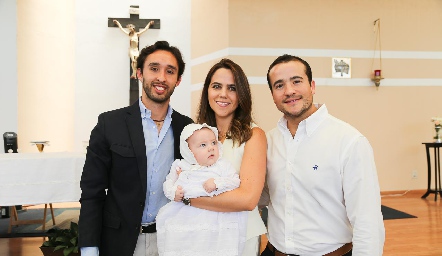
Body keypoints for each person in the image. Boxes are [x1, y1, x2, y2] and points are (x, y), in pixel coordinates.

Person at [260, 54, 385, 256]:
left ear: (313, 86)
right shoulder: (267, 142)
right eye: (279, 85)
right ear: (273, 94)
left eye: (297, 81)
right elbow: (260, 198)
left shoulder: (349, 141)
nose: (289, 91)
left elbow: (367, 220)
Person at [78, 40, 193, 256]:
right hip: (121, 242)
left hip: (172, 241)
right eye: (154, 68)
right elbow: (92, 192)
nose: (161, 77)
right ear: (139, 73)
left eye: (170, 71)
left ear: (178, 81)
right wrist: (89, 249)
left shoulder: (187, 129)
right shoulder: (110, 124)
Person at [174, 58, 267, 256]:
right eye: (216, 86)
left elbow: (248, 199)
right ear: (207, 90)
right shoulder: (196, 134)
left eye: (232, 88)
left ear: (241, 94)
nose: (223, 94)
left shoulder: (253, 135)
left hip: (241, 235)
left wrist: (189, 198)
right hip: (201, 233)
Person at [156, 123, 248, 255]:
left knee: (213, 245)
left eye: (213, 143)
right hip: (186, 217)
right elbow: (168, 182)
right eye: (203, 145)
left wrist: (217, 182)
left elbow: (235, 181)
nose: (211, 148)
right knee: (186, 244)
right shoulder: (180, 165)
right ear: (188, 150)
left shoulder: (222, 165)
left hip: (215, 217)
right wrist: (173, 192)